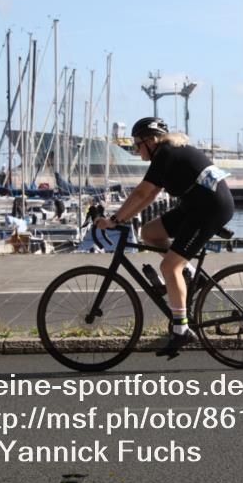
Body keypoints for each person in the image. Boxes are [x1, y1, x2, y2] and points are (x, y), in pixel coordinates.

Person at [96, 117, 233, 357]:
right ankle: (191, 274)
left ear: (151, 140)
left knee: (169, 266)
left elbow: (141, 192)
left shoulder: (166, 154)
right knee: (150, 233)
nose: (136, 149)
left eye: (137, 144)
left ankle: (181, 329)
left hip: (209, 209)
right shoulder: (168, 153)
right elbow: (148, 196)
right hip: (196, 205)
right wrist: (122, 219)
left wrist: (114, 220)